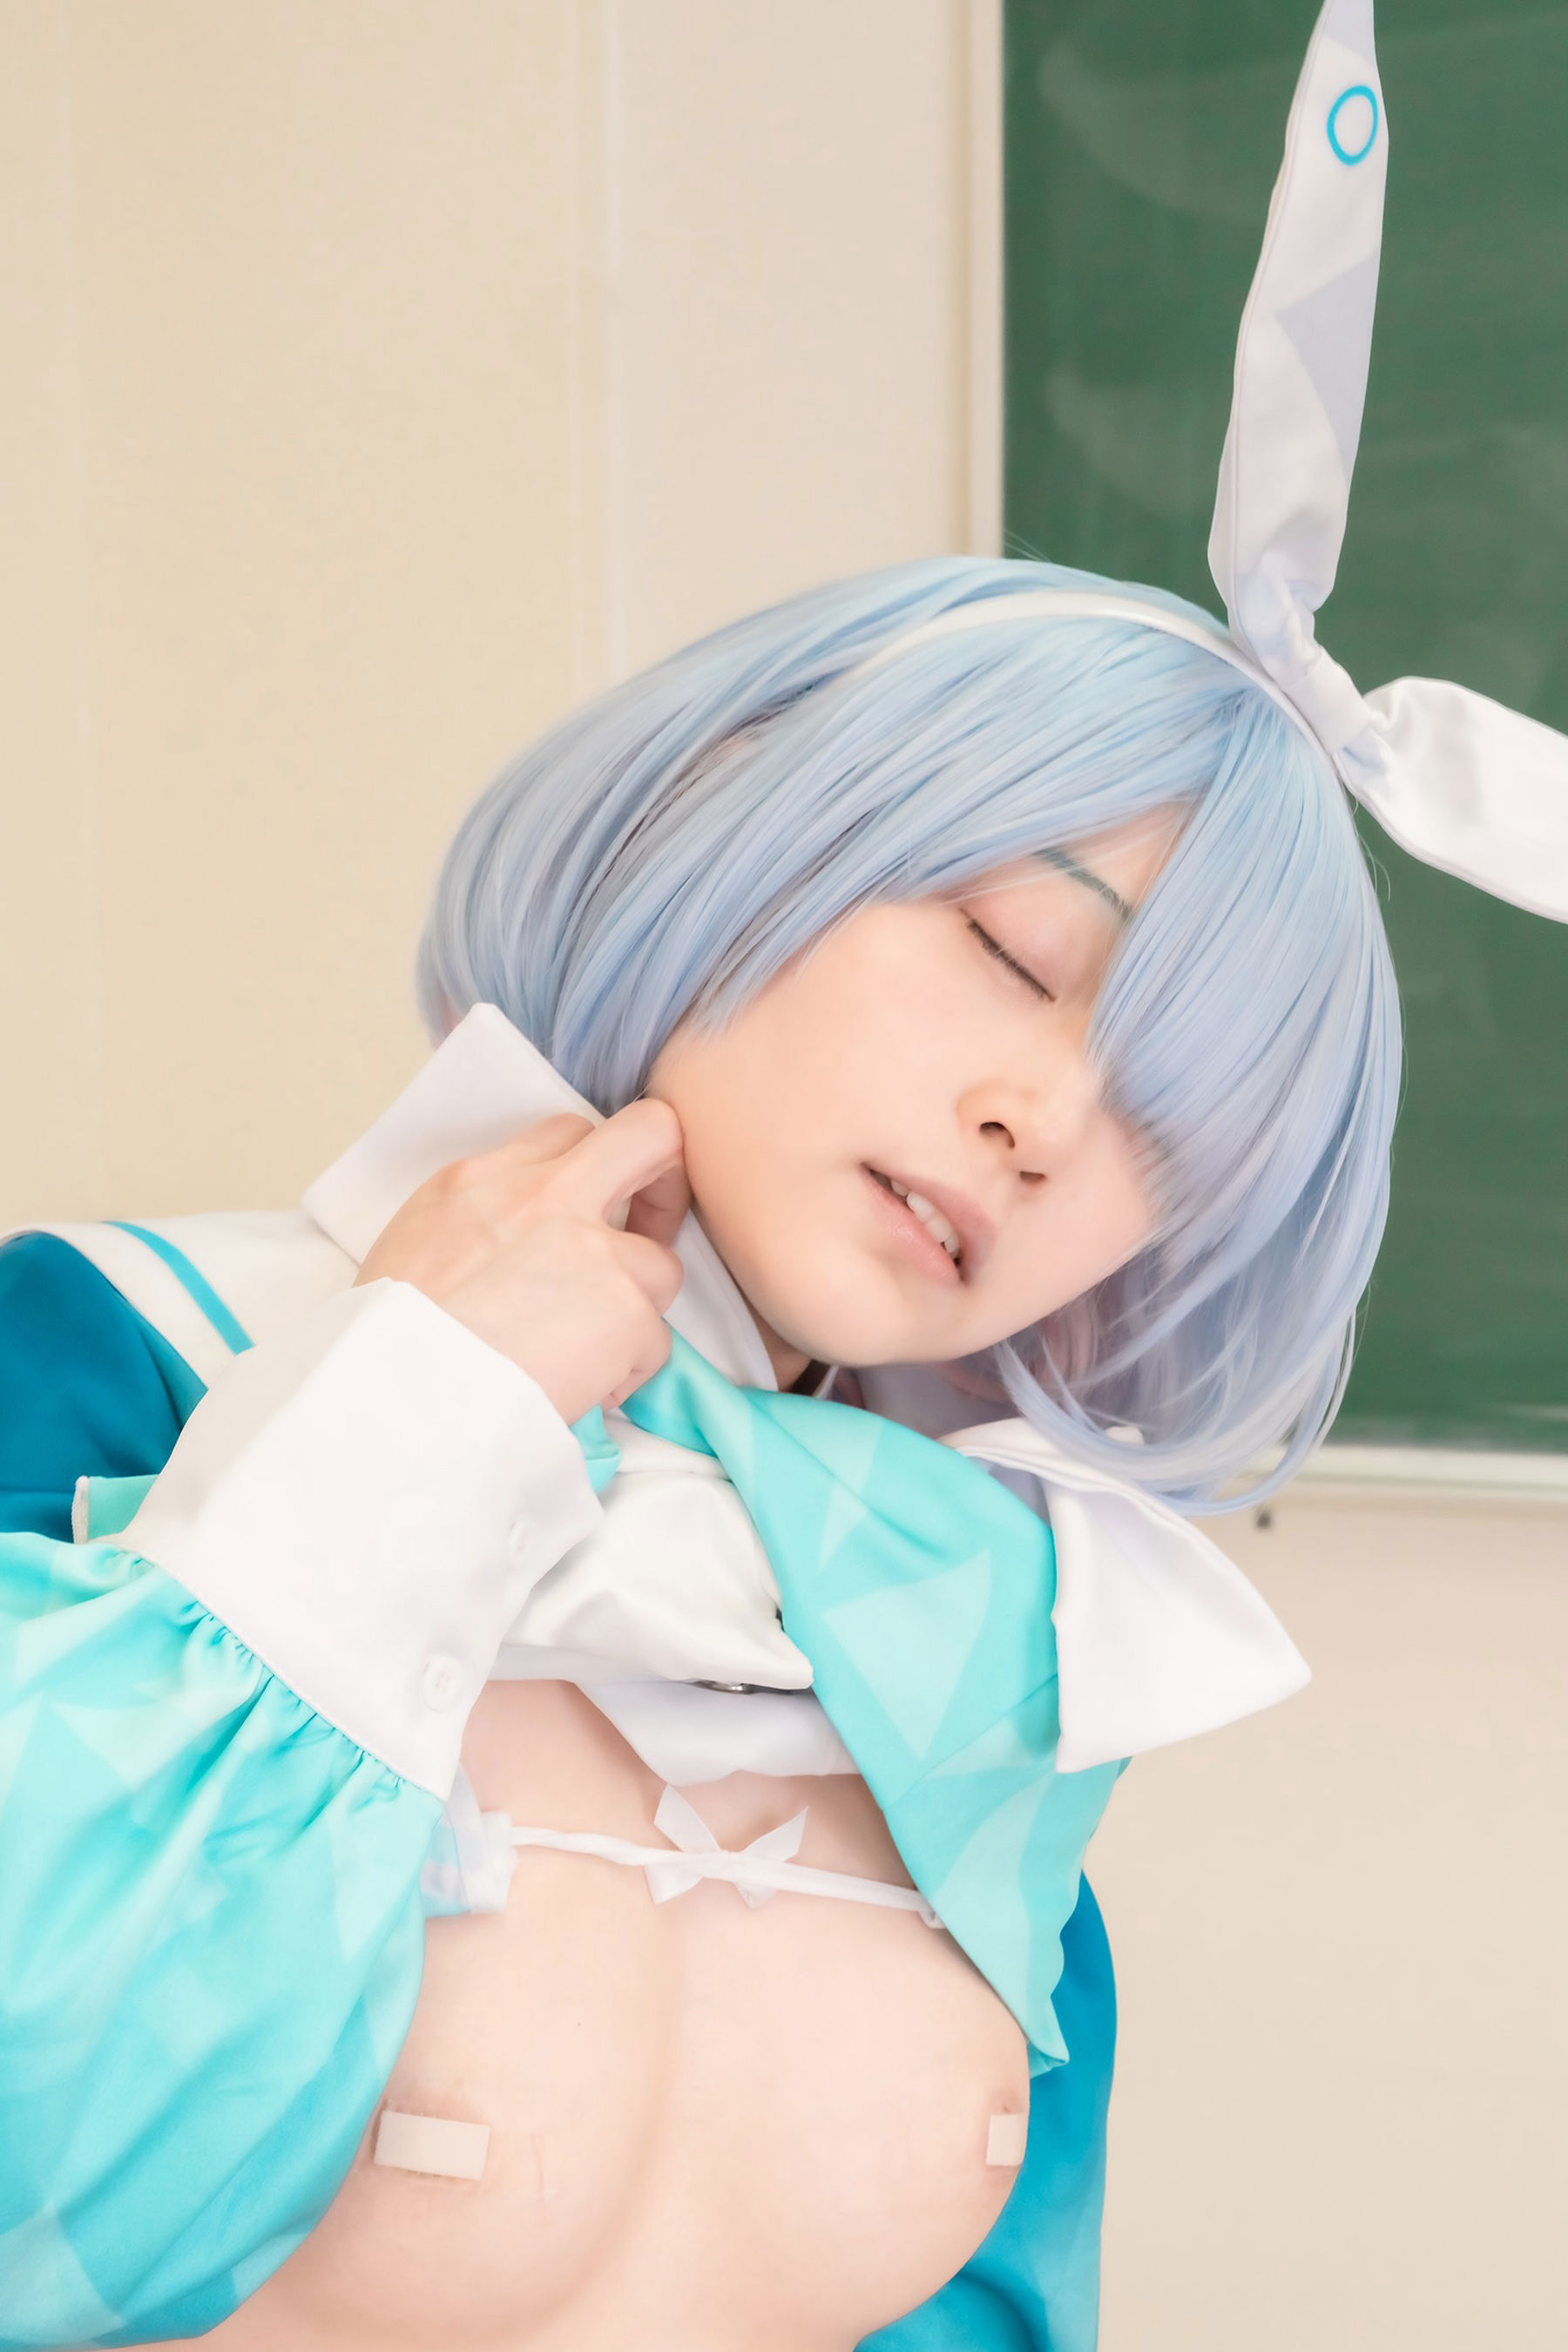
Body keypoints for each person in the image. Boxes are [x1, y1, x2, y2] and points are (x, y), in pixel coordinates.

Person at [3, 3, 1565, 2346]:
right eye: (1015, 948)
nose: (1050, 1121)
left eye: (1169, 1123)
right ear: (753, 827)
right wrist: (411, 1424)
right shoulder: (114, 1357)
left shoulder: (989, 1655)